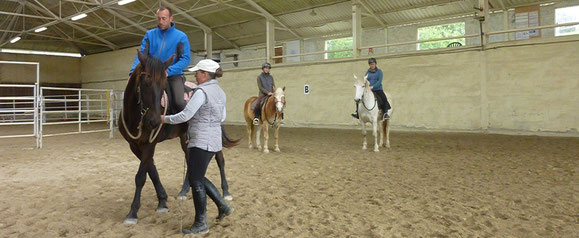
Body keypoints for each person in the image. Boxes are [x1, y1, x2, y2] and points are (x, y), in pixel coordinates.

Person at [161, 59, 233, 235]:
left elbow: (185, 114)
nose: (195, 75)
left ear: (205, 74)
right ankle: (222, 205)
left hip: (202, 140)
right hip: (213, 140)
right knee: (197, 176)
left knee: (195, 180)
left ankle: (201, 222)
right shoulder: (220, 92)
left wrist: (164, 119)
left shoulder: (201, 92)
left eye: (198, 72)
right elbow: (222, 117)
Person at [130, 6, 191, 114]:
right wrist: (132, 72)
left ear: (171, 18)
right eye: (158, 18)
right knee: (133, 96)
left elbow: (185, 59)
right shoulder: (149, 34)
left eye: (164, 18)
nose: (161, 21)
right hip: (152, 74)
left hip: (172, 75)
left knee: (179, 102)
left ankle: (188, 126)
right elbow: (142, 55)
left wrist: (169, 71)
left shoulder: (181, 37)